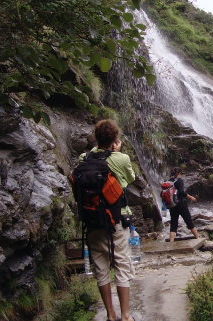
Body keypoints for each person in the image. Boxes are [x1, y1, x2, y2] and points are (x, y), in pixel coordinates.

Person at [80, 119, 136, 321]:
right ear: (115, 139)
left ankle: (111, 315)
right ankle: (126, 315)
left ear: (95, 137)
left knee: (101, 267)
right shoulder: (121, 158)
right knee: (121, 264)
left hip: (93, 220)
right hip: (117, 220)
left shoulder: (83, 158)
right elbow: (130, 179)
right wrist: (118, 151)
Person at [167, 167, 199, 242]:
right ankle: (198, 238)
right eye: (181, 174)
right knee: (189, 221)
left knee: (173, 223)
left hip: (172, 205)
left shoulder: (168, 181)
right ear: (178, 174)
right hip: (181, 204)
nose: (181, 176)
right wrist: (191, 197)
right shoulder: (179, 181)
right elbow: (181, 192)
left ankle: (171, 242)